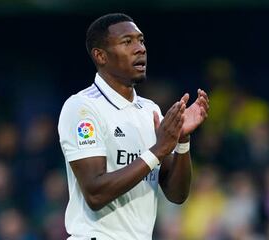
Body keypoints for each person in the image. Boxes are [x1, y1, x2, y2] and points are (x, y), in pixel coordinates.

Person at [57, 13, 209, 240]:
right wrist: (158, 150)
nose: (140, 49)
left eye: (141, 40)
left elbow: (176, 195)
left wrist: (182, 142)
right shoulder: (82, 108)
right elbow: (95, 194)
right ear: (100, 56)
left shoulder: (151, 111)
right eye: (127, 42)